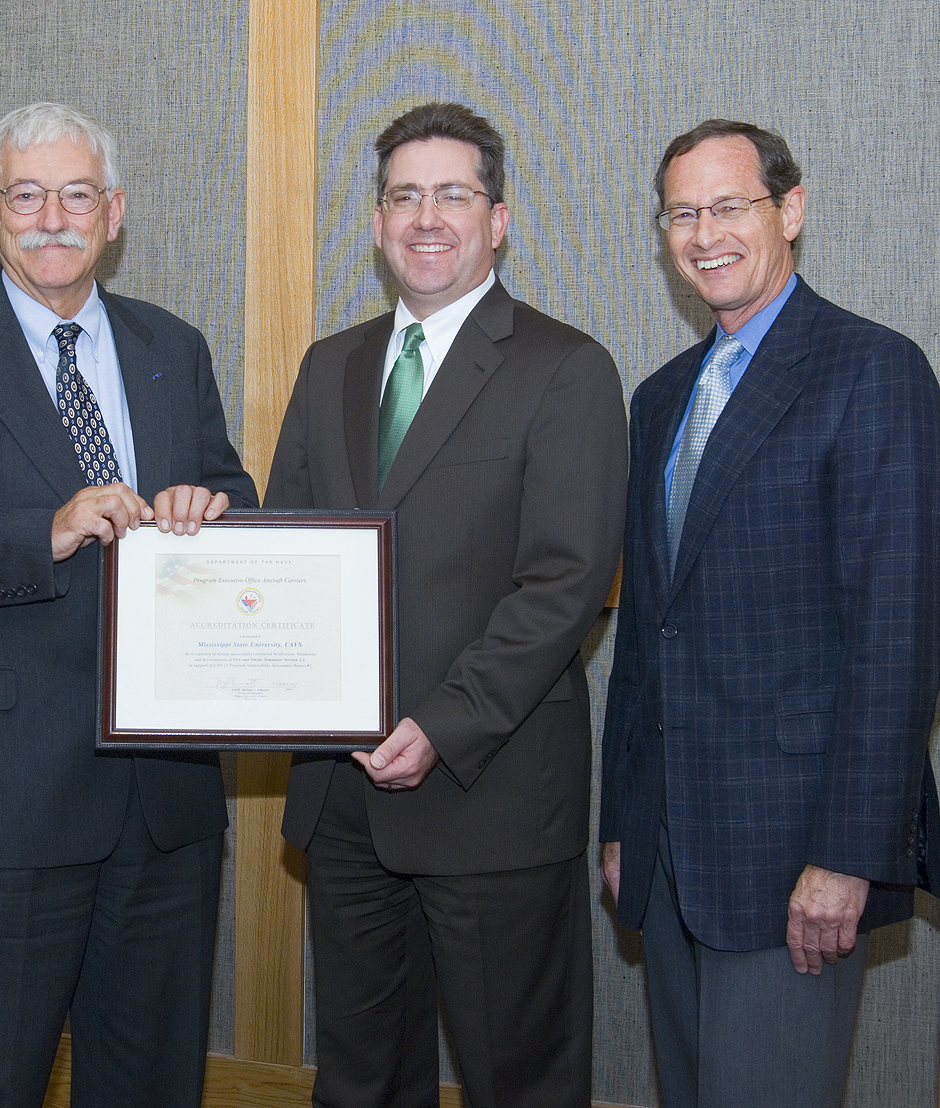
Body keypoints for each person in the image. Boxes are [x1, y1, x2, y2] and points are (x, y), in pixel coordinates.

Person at [0, 101, 257, 1108]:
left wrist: (218, 506)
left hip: (165, 806)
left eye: (76, 195)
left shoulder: (171, 346)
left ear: (114, 212)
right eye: (26, 194)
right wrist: (44, 529)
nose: (52, 217)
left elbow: (232, 492)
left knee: (151, 1085)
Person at [265, 101, 627, 1108]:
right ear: (376, 222)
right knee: (360, 1077)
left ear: (498, 218)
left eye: (453, 194)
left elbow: (564, 584)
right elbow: (288, 547)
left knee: (518, 1080)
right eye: (403, 195)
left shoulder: (565, 368)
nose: (427, 217)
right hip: (341, 800)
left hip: (491, 796)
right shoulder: (329, 365)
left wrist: (440, 721)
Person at [599, 119, 940, 1108]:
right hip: (671, 852)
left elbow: (899, 644)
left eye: (727, 206)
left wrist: (847, 852)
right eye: (681, 213)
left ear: (789, 211)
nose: (702, 232)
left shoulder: (871, 372)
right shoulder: (660, 398)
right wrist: (625, 819)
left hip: (792, 852)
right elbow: (646, 636)